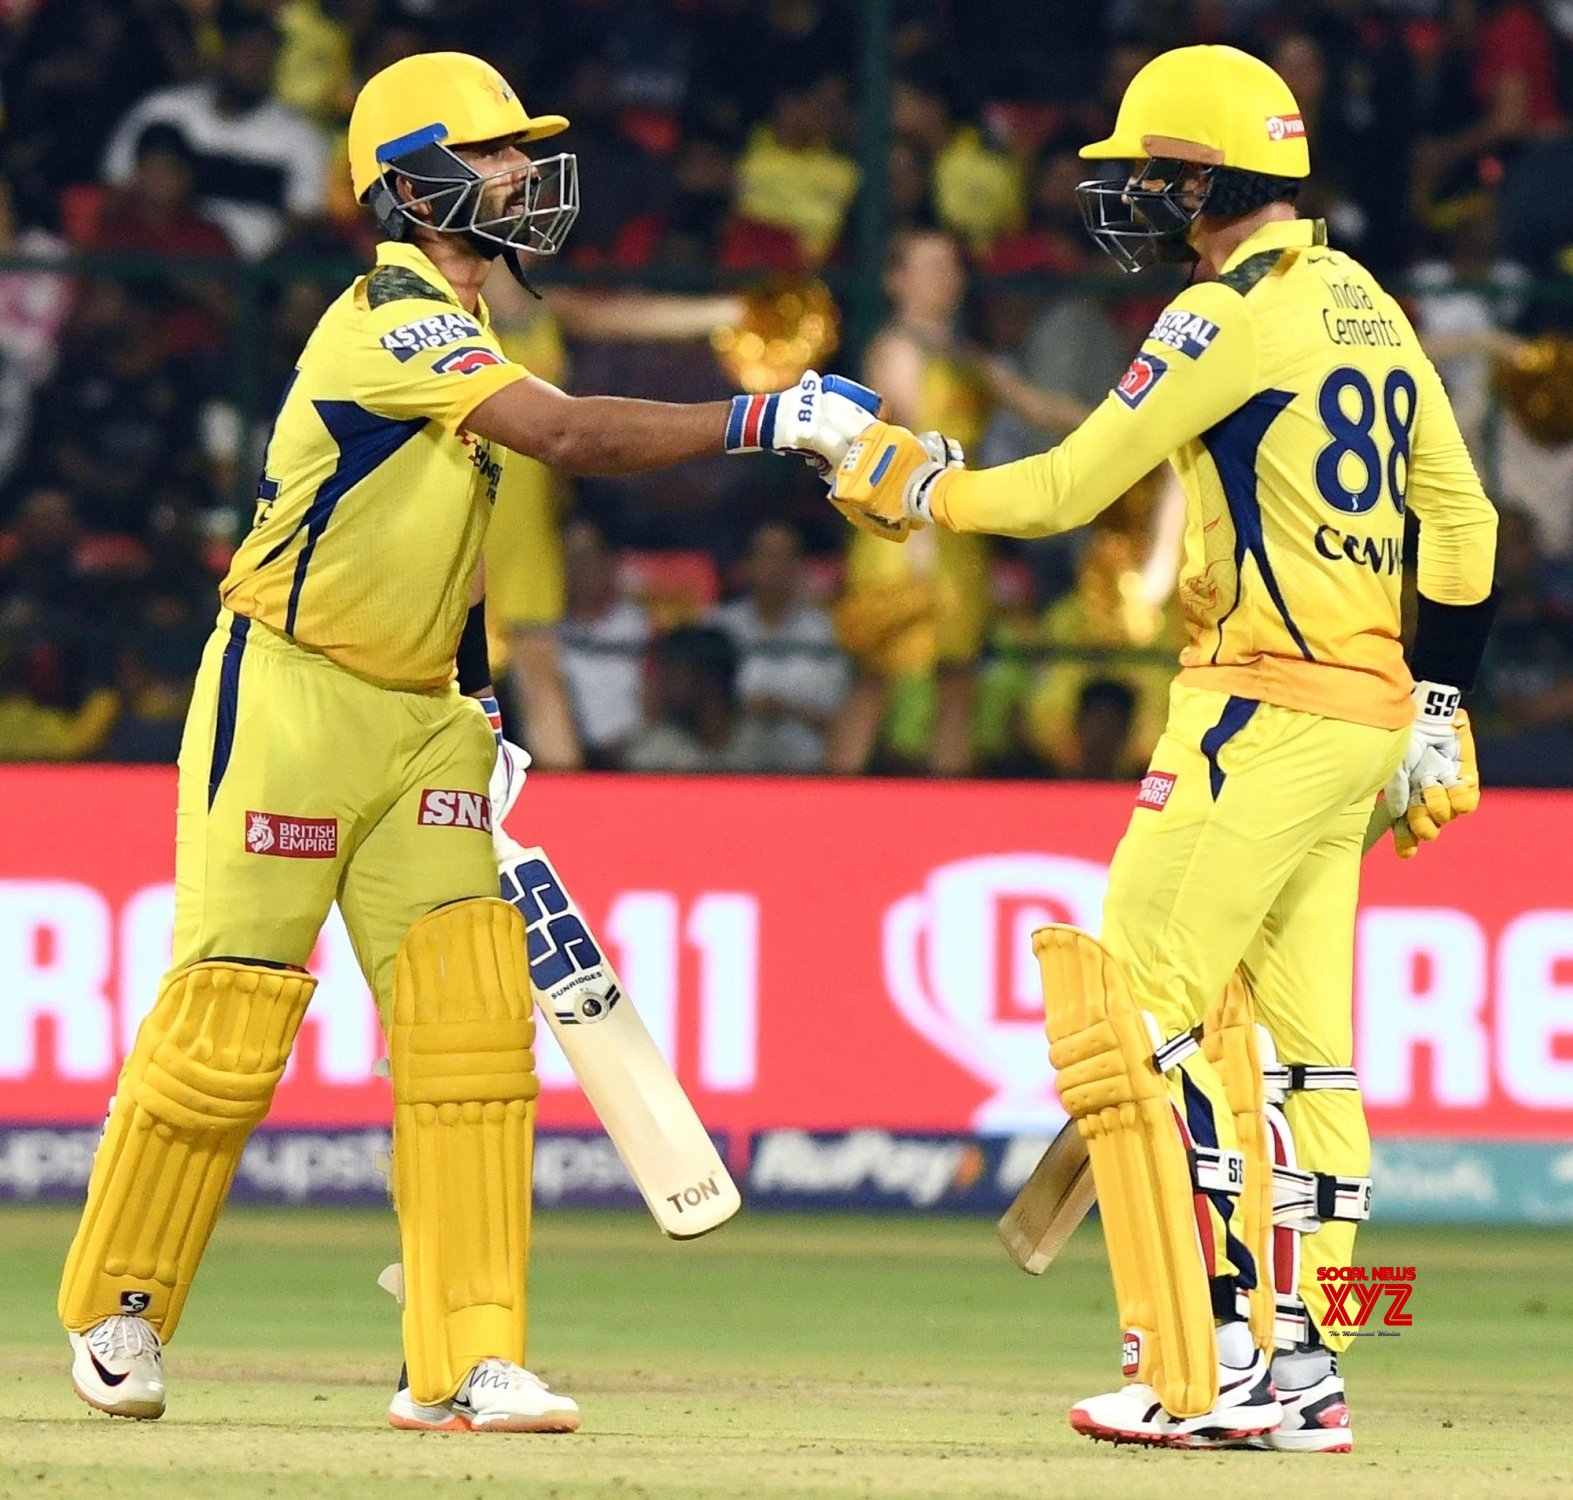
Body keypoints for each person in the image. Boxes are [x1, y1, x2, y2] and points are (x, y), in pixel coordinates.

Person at [57, 49, 877, 1434]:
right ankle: (118, 1310)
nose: (518, 176)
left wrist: (480, 699)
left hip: (425, 718)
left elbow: (462, 530)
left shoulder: (475, 330)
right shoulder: (386, 322)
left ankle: (465, 1358)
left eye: (519, 152)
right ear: (412, 185)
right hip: (291, 699)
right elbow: (561, 438)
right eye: (492, 154)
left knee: (472, 1037)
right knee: (230, 1025)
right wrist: (766, 417)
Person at [833, 45, 1498, 1452]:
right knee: (1312, 1064)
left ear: (1207, 179)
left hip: (1252, 714)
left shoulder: (1224, 313)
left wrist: (912, 481)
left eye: (1151, 172)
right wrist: (1438, 710)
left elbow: (1068, 486)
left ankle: (1218, 1358)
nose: (1134, 195)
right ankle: (1311, 1368)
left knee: (1140, 1015)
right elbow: (1468, 529)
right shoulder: (1364, 305)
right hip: (1364, 724)